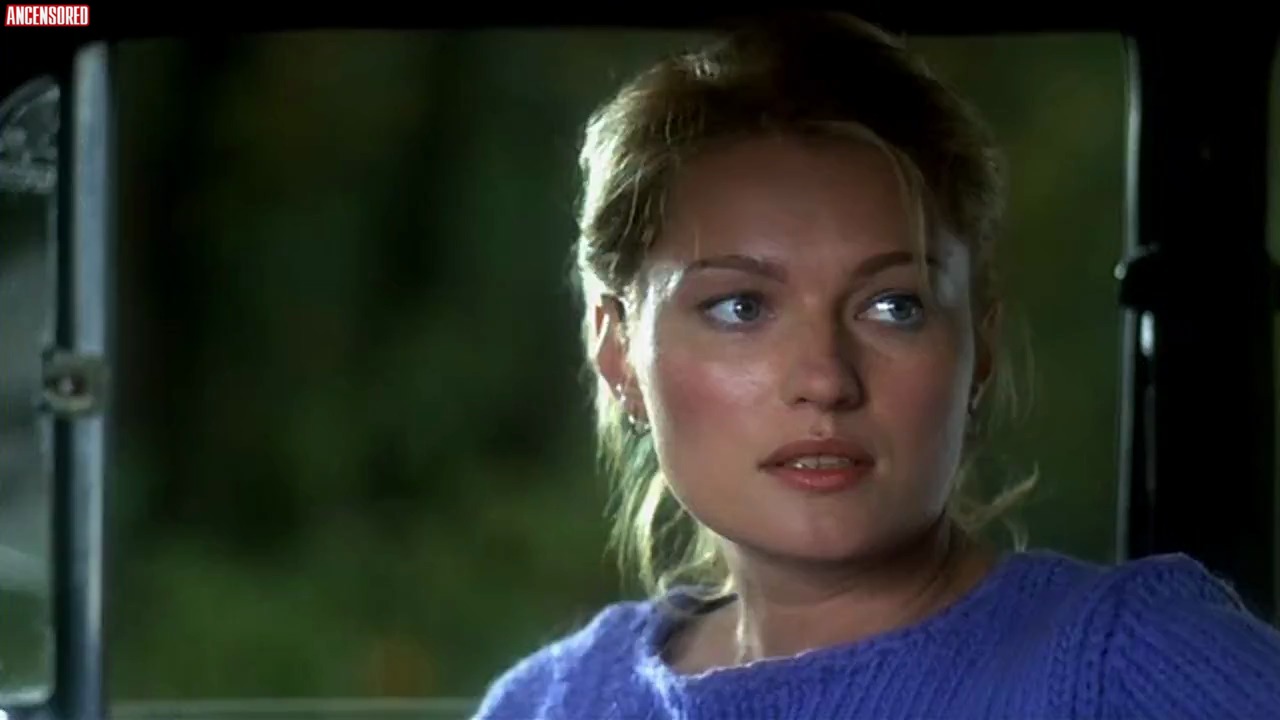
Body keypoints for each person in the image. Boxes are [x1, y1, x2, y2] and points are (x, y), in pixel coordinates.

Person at [474, 11, 1280, 719]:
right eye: (741, 308)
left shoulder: (1128, 664)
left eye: (894, 306)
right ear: (617, 349)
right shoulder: (549, 704)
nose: (827, 379)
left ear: (978, 347)